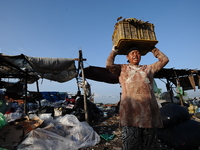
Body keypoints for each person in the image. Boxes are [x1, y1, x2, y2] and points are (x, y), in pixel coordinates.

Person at [106, 46, 169, 150]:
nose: (136, 55)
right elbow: (109, 65)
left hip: (148, 115)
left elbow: (164, 60)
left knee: (149, 146)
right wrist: (114, 52)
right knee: (131, 146)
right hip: (130, 115)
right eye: (132, 53)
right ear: (127, 56)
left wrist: (153, 49)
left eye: (138, 53)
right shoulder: (122, 68)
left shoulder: (148, 69)